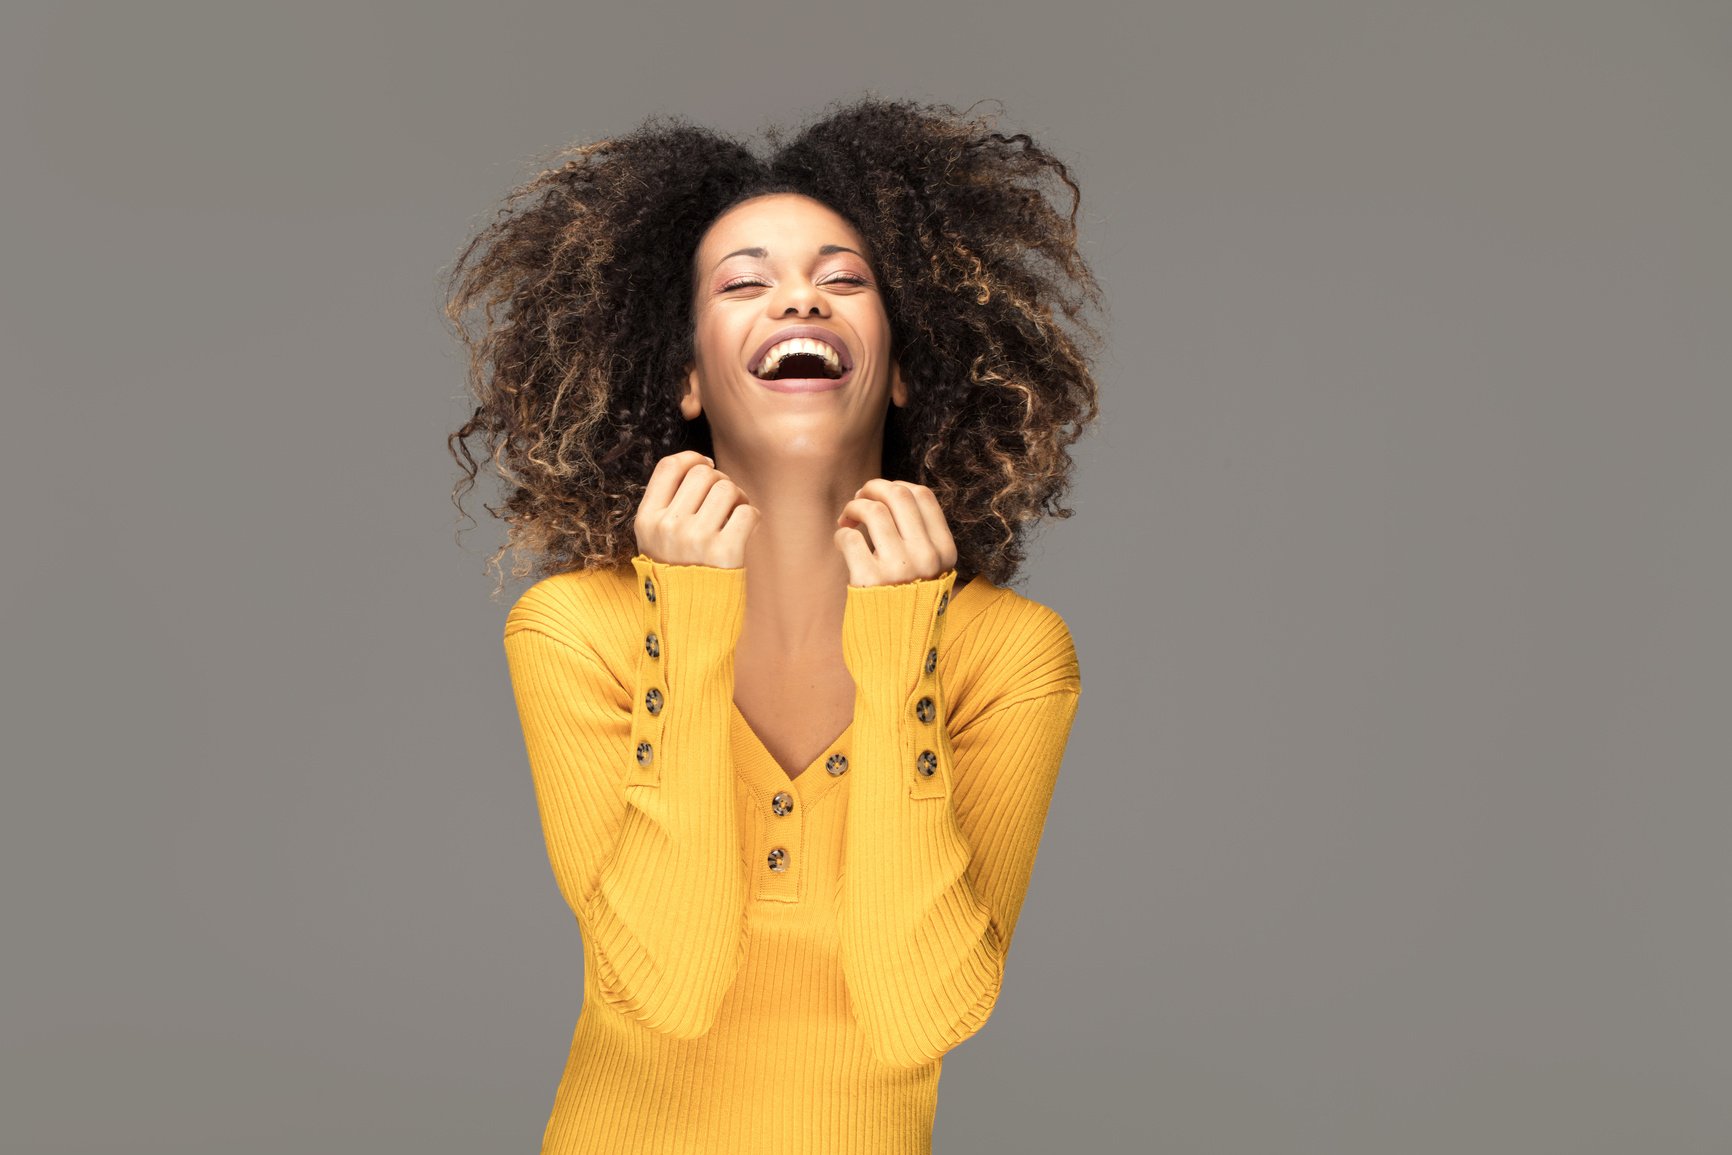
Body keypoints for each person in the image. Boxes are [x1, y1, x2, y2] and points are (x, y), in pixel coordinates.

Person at [443, 95, 1105, 1154]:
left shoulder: (1007, 655)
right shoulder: (575, 630)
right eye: (744, 283)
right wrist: (690, 621)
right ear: (689, 379)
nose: (800, 300)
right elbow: (666, 986)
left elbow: (919, 1013)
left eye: (843, 280)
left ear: (900, 369)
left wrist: (900, 659)